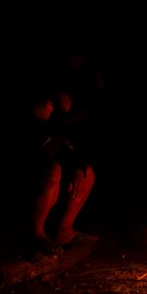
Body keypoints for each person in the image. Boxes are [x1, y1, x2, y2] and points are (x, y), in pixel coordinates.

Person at [25, 91, 98, 255]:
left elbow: (66, 150)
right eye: (46, 102)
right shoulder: (30, 123)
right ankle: (37, 233)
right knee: (55, 170)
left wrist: (78, 169)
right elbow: (47, 153)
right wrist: (64, 116)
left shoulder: (51, 124)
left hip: (47, 179)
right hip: (26, 184)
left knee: (86, 172)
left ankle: (64, 230)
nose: (50, 104)